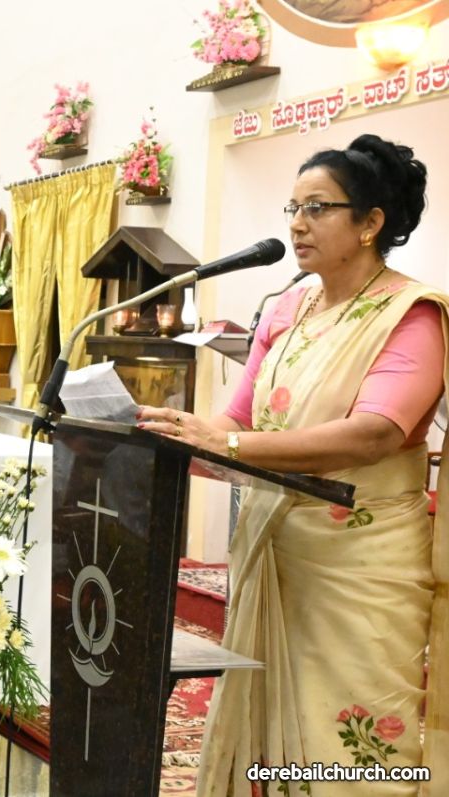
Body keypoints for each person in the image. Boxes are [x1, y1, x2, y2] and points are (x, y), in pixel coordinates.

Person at [137, 135, 449, 796]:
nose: (298, 224)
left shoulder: (412, 314)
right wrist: (182, 433)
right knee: (272, 733)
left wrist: (228, 447)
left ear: (370, 223)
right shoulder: (289, 307)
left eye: (318, 207)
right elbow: (238, 417)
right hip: (276, 550)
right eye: (294, 207)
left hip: (361, 563)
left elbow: (374, 434)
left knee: (357, 746)